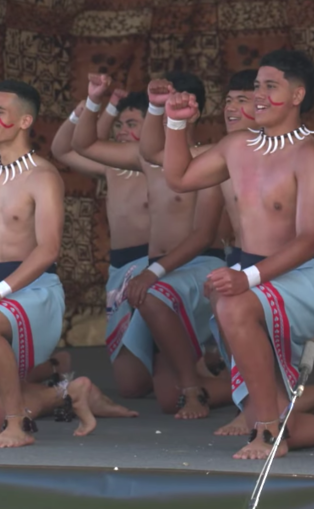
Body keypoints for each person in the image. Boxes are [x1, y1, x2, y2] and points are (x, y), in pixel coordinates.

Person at [161, 49, 314, 459]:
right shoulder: (236, 145)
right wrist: (174, 122)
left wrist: (247, 278)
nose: (257, 94)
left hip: (305, 276)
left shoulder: (309, 155)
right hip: (255, 280)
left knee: (232, 305)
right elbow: (179, 177)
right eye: (256, 86)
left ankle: (266, 429)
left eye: (269, 86)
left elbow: (310, 238)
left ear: (297, 96)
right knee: (287, 419)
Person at [0, 79, 134, 447]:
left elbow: (48, 250)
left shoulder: (43, 177)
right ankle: (71, 393)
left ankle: (18, 426)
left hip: (34, 291)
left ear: (24, 122)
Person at [72, 72, 230, 419]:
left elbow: (204, 235)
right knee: (143, 390)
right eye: (161, 106)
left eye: (178, 105)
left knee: (155, 296)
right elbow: (81, 145)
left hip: (198, 266)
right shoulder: (145, 158)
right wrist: (97, 101)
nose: (169, 110)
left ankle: (195, 386)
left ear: (196, 111)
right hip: (159, 273)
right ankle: (227, 376)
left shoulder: (210, 157)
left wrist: (153, 272)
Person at [51, 89, 152, 398]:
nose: (122, 131)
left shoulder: (161, 165)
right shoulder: (114, 167)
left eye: (132, 123)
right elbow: (63, 149)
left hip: (155, 266)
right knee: (131, 387)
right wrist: (92, 108)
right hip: (120, 268)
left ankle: (198, 364)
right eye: (119, 124)